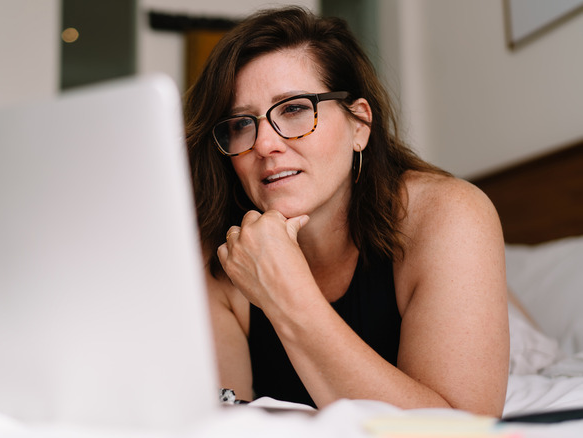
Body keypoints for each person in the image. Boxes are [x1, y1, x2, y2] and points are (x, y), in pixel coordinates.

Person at [184, 6, 509, 417]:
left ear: (360, 125)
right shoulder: (220, 254)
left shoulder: (449, 217)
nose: (264, 145)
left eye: (295, 108)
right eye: (241, 123)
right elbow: (221, 422)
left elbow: (458, 430)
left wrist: (287, 296)